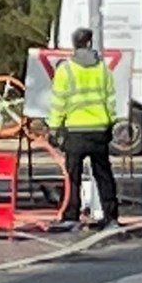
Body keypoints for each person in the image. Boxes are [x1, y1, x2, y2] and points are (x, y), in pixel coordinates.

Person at [48, 27, 119, 230]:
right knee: (103, 174)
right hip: (99, 129)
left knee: (73, 176)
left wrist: (54, 128)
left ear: (75, 44)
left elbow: (58, 102)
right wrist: (110, 123)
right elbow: (110, 99)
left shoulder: (66, 70)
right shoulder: (102, 69)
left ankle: (71, 215)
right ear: (89, 43)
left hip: (75, 131)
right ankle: (111, 215)